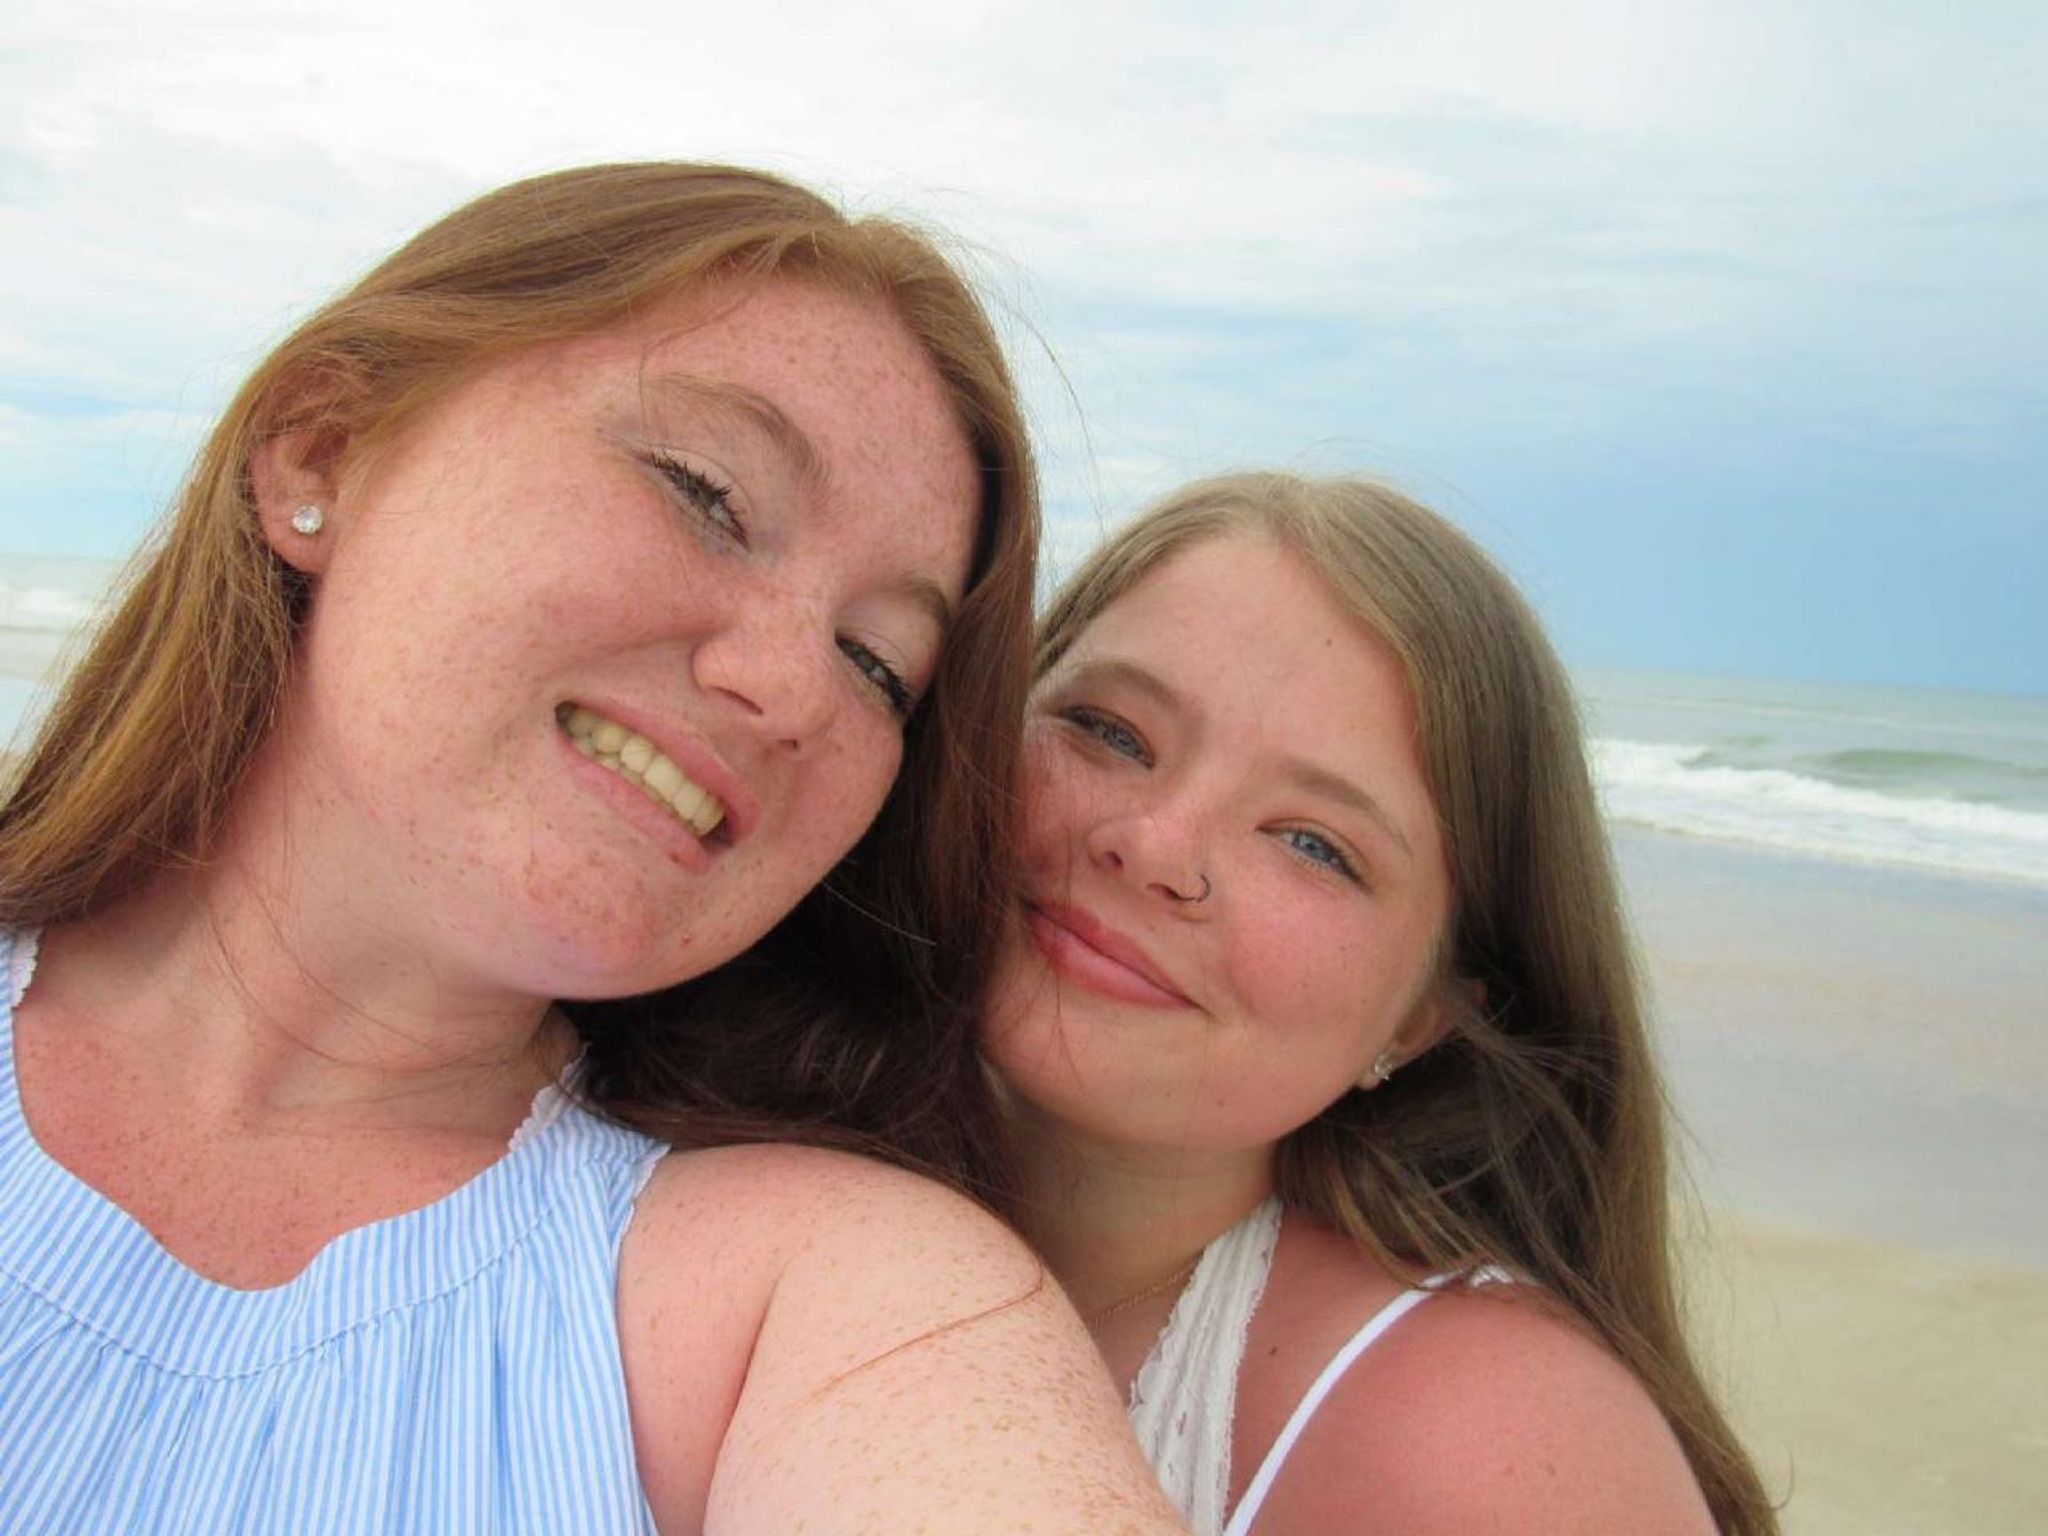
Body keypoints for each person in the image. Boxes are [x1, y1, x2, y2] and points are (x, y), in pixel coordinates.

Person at [0, 163, 1184, 1533]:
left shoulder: (833, 1306)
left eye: (877, 662)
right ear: (322, 450)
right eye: (707, 494)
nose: (792, 690)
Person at [983, 472, 1781, 1536]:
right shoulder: (768, 1137)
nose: (1155, 845)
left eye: (1314, 844)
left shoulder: (1492, 1448)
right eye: (1109, 732)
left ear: (1421, 1016)